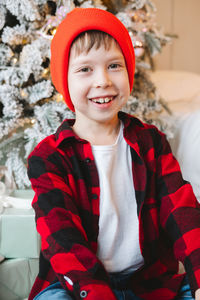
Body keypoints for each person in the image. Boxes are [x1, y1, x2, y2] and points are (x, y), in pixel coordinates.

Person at [27, 7, 200, 300]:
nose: (103, 81)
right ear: (64, 82)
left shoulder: (151, 143)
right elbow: (64, 242)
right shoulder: (49, 158)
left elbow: (183, 213)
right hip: (77, 286)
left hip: (147, 285)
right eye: (85, 69)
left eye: (114, 66)